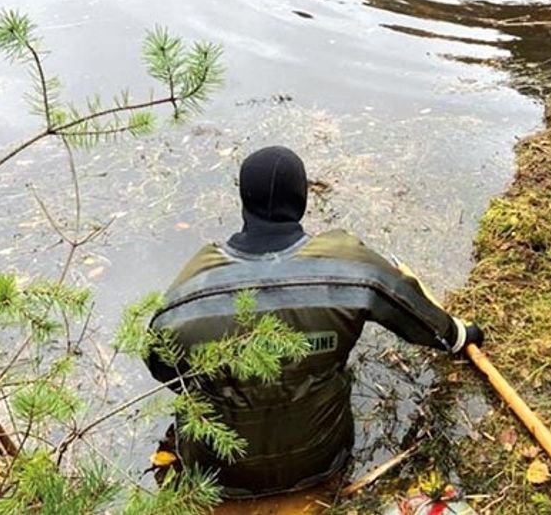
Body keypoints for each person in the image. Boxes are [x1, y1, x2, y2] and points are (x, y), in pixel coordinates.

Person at [144, 146, 484, 498]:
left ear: (244, 201)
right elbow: (417, 317)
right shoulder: (350, 266)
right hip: (322, 460)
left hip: (217, 475)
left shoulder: (189, 292)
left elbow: (162, 367)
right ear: (302, 200)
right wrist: (460, 335)